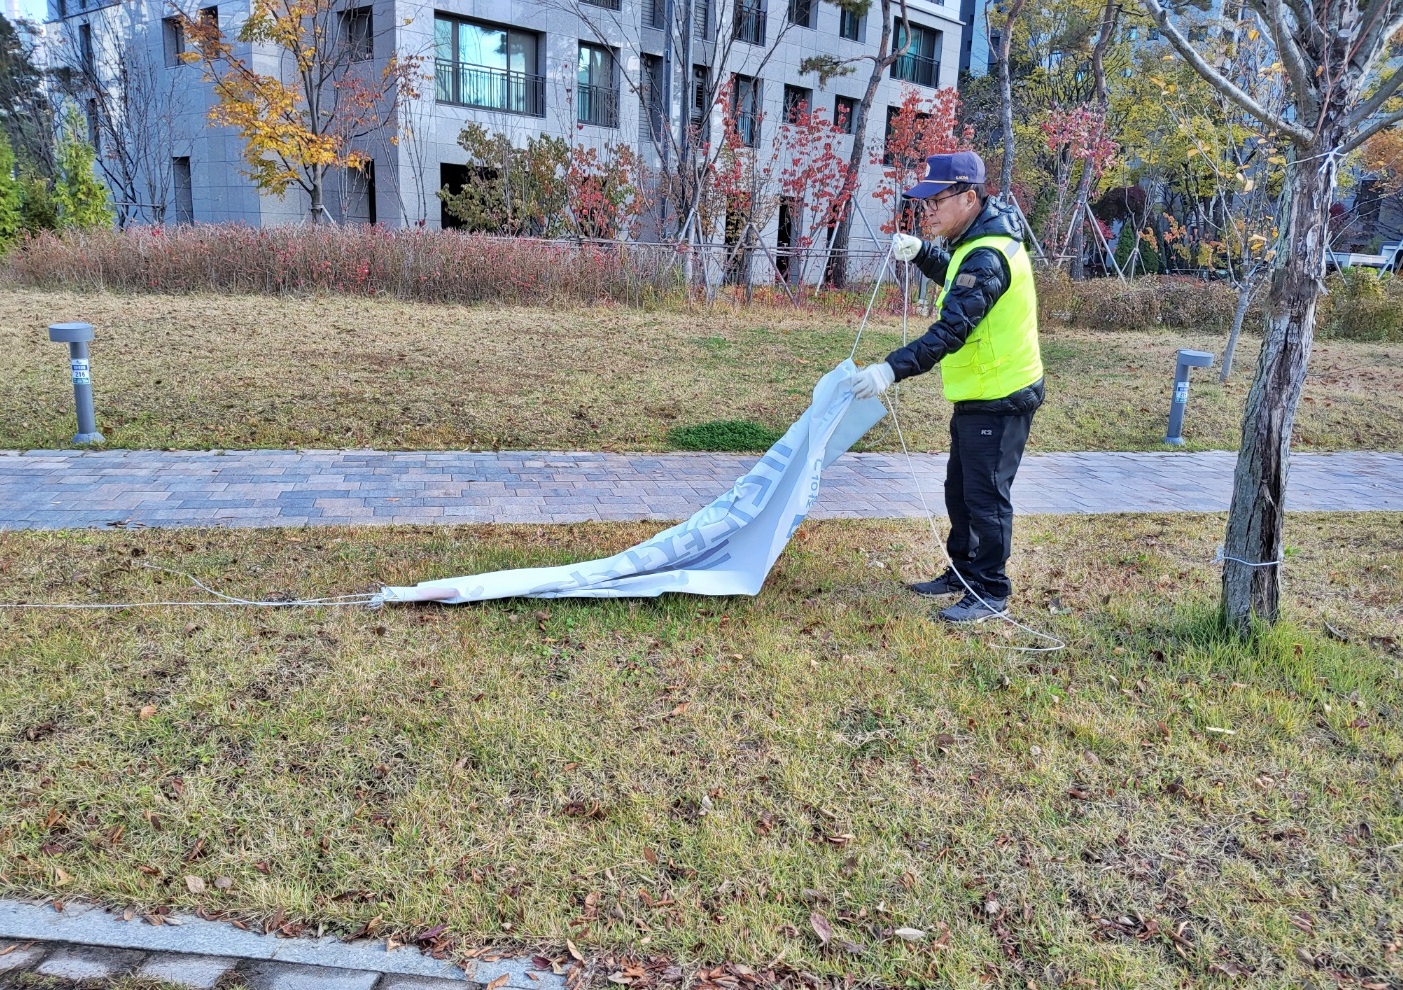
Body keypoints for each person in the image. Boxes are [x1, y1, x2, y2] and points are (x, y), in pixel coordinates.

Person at [848, 151, 1044, 624]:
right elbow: (959, 282)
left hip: (1001, 396)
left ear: (969, 197)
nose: (927, 210)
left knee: (986, 496)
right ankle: (963, 572)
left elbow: (952, 328)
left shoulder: (989, 254)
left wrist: (889, 370)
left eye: (936, 200)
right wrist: (922, 254)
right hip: (978, 393)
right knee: (960, 490)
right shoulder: (973, 243)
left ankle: (991, 590)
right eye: (924, 202)